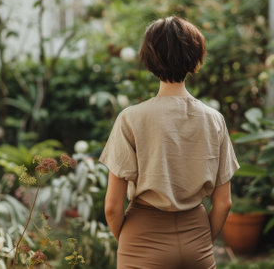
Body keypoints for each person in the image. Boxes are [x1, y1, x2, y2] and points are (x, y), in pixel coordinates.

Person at [100, 16, 240, 269]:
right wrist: (202, 242)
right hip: (196, 238)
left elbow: (112, 207)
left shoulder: (131, 119)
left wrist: (131, 242)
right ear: (195, 57)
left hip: (142, 238)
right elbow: (223, 202)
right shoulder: (214, 120)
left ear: (150, 59)